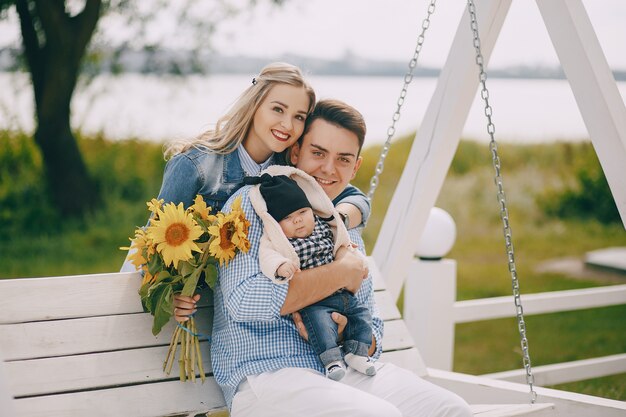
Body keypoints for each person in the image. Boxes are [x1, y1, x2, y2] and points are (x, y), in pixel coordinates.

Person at [175, 99, 472, 417]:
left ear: (355, 167)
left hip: (344, 370)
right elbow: (246, 301)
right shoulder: (253, 203)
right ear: (295, 154)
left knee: (452, 410)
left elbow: (373, 334)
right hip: (268, 377)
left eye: (343, 159)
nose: (329, 169)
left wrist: (345, 331)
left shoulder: (344, 226)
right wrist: (341, 274)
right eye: (318, 153)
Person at [245, 166, 375, 381]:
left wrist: (360, 262)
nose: (297, 220)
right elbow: (266, 255)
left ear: (312, 211)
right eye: (288, 218)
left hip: (341, 294)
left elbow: (346, 246)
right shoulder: (278, 240)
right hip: (314, 300)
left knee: (361, 315)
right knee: (319, 324)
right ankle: (332, 361)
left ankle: (357, 353)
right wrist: (279, 266)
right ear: (276, 224)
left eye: (302, 213)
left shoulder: (325, 227)